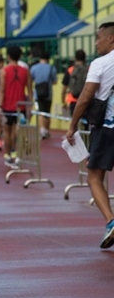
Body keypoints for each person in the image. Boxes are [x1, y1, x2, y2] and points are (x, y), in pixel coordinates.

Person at [66, 22, 114, 249]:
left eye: (98, 38)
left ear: (110, 39)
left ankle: (111, 221)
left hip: (106, 128)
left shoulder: (100, 64)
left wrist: (72, 125)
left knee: (94, 176)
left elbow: (85, 97)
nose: (96, 42)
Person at [0, 46, 32, 168]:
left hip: (8, 106)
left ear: (8, 56)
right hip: (21, 106)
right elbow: (30, 89)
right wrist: (31, 105)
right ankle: (17, 155)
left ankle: (8, 155)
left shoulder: (4, 71)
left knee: (7, 131)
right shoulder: (25, 71)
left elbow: (2, 89)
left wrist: (0, 106)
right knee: (20, 131)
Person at [30, 51, 57, 139]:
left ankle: (42, 130)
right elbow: (55, 81)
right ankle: (47, 130)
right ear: (48, 59)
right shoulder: (52, 68)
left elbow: (30, 80)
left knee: (40, 112)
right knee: (47, 113)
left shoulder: (34, 68)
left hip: (38, 93)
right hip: (48, 93)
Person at [61, 49, 88, 118]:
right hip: (85, 100)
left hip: (73, 100)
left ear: (75, 58)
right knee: (86, 125)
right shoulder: (89, 69)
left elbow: (64, 89)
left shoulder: (70, 70)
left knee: (74, 123)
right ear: (85, 58)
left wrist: (63, 102)